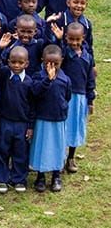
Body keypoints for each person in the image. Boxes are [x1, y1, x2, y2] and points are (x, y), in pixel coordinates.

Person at [50, 22, 95, 174]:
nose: (74, 43)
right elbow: (56, 55)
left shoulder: (87, 57)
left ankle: (71, 157)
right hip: (65, 95)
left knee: (75, 127)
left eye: (78, 40)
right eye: (71, 39)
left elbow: (90, 80)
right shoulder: (65, 54)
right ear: (67, 38)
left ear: (83, 38)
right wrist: (59, 40)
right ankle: (59, 156)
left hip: (80, 98)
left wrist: (91, 99)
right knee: (62, 126)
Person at [29, 45, 71, 193]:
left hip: (58, 118)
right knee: (42, 146)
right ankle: (40, 176)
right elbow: (35, 92)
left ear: (62, 61)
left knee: (57, 147)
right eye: (48, 64)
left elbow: (67, 96)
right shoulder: (38, 77)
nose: (51, 67)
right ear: (42, 61)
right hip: (42, 118)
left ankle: (56, 175)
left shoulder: (65, 79)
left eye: (56, 64)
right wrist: (47, 80)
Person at [0, 46, 35, 194]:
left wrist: (30, 126)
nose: (16, 66)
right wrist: (1, 49)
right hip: (5, 121)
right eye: (13, 62)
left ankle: (19, 179)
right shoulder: (4, 76)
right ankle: (2, 179)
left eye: (20, 63)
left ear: (26, 64)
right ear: (8, 62)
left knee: (21, 153)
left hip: (22, 124)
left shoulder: (30, 82)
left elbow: (32, 106)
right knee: (2, 151)